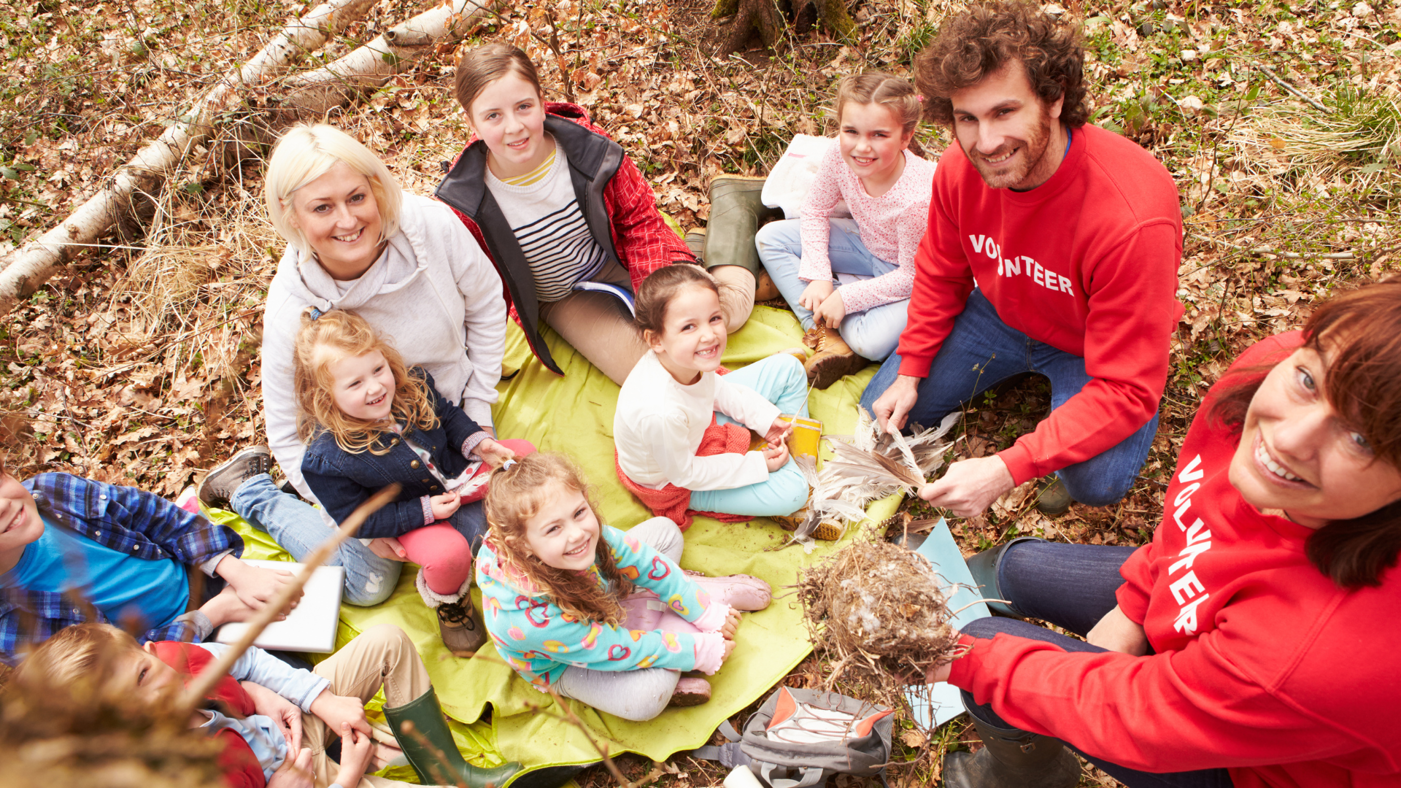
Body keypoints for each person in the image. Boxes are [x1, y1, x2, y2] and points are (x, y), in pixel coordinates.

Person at [921, 280, 1401, 788]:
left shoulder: (1325, 650)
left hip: (1251, 764)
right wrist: (1134, 604)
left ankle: (1022, 774)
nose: (1285, 438)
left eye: (1359, 439)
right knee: (1013, 570)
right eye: (1308, 380)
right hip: (1209, 621)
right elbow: (1192, 518)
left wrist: (978, 663)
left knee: (977, 650)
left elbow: (1140, 714)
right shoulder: (1267, 374)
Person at [860, 1, 1182, 517]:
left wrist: (1008, 466)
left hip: (1090, 342)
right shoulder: (958, 171)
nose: (985, 142)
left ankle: (1096, 400)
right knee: (882, 410)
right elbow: (942, 274)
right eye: (968, 119)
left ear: (1053, 100)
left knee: (1095, 482)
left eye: (1004, 112)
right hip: (1000, 313)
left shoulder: (1130, 215)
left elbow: (1125, 388)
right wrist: (911, 368)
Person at [200, 123, 508, 609]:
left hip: (445, 418)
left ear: (377, 187)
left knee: (509, 503)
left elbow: (489, 301)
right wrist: (360, 533)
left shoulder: (430, 225)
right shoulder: (290, 309)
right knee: (371, 584)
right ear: (292, 215)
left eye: (356, 197)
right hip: (367, 464)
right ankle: (252, 490)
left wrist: (478, 410)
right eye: (322, 207)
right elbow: (286, 432)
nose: (346, 220)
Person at [435, 43, 756, 387]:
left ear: (542, 103)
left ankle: (734, 214)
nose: (514, 127)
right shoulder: (467, 199)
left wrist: (659, 303)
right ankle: (728, 392)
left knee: (719, 316)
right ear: (472, 122)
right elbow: (474, 281)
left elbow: (639, 220)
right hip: (564, 296)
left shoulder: (589, 149)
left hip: (619, 253)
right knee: (652, 374)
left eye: (524, 106)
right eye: (493, 116)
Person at [18, 621, 521, 788]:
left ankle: (447, 768)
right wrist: (345, 775)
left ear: (149, 652)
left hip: (281, 729)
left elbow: (249, 662)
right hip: (302, 778)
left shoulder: (179, 657)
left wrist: (311, 699)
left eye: (144, 676)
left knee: (387, 639)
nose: (155, 698)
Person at [293, 309, 534, 656]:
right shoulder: (327, 459)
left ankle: (516, 536)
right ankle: (451, 602)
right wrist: (424, 510)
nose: (376, 386)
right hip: (412, 514)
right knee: (448, 555)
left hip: (457, 478)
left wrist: (479, 444)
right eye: (355, 383)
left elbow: (449, 417)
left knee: (521, 455)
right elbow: (358, 518)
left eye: (377, 369)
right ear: (324, 396)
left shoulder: (413, 385)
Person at [476, 452, 772, 721]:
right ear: (523, 544)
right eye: (554, 528)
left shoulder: (576, 539)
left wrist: (703, 611)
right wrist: (696, 650)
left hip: (601, 591)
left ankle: (688, 599)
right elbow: (617, 648)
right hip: (572, 659)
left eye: (580, 512)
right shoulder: (529, 621)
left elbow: (639, 558)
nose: (578, 534)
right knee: (644, 701)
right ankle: (673, 618)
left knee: (666, 533)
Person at [0, 460, 298, 666]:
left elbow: (157, 516)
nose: (3, 505)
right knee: (298, 687)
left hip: (205, 575)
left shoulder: (53, 491)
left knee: (312, 611)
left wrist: (237, 572)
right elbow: (116, 672)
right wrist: (214, 614)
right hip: (175, 655)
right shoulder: (8, 627)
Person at [756, 71, 936, 389]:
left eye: (879, 135)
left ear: (905, 138)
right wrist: (820, 274)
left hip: (913, 276)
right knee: (770, 239)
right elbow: (815, 209)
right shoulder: (839, 159)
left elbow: (912, 276)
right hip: (865, 245)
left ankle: (844, 332)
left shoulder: (917, 199)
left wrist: (847, 297)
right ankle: (824, 328)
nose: (862, 147)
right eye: (851, 131)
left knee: (870, 342)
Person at [614, 265, 809, 526]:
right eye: (689, 327)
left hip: (695, 429)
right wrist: (756, 464)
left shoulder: (685, 360)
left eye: (714, 318)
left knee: (789, 368)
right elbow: (685, 474)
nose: (709, 335)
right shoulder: (659, 412)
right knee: (794, 492)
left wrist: (764, 419)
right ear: (656, 340)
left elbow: (715, 387)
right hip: (677, 482)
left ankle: (799, 457)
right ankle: (798, 478)